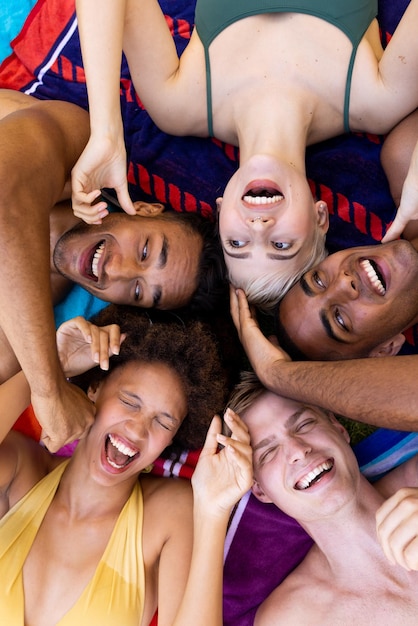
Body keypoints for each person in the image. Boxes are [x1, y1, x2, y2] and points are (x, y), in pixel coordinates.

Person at [71, 0, 418, 306]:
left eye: (237, 242)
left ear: (221, 209)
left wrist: (106, 130)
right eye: (281, 246)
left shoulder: (179, 108)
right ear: (320, 218)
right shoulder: (379, 101)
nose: (259, 226)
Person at [0, 88, 224, 454]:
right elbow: (5, 195)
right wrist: (48, 388)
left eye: (137, 291)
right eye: (147, 250)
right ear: (147, 209)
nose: (117, 270)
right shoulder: (78, 150)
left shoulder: (12, 347)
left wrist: (42, 372)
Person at [0, 304, 253, 626]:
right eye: (129, 402)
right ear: (94, 389)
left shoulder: (170, 511)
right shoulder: (24, 469)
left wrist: (214, 511)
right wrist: (48, 372)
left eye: (163, 422)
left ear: (173, 439)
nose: (137, 429)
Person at [228, 373, 418, 624]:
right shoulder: (293, 617)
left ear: (338, 429)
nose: (297, 451)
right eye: (269, 452)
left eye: (304, 425)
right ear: (260, 490)